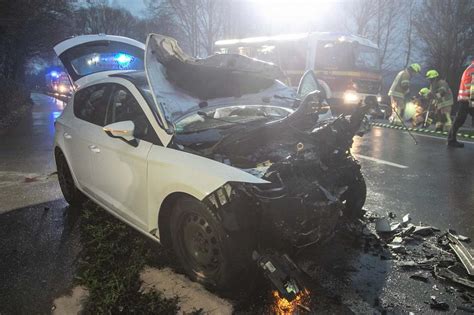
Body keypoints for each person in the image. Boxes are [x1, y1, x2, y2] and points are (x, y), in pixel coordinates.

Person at [447, 60, 474, 148]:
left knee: (459, 120)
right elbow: (471, 85)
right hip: (467, 99)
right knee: (459, 120)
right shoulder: (472, 69)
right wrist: (472, 100)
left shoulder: (471, 68)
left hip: (466, 99)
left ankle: (451, 140)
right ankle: (451, 140)